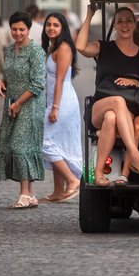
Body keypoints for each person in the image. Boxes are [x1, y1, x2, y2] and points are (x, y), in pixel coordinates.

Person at [77, 5, 139, 187]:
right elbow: (80, 46)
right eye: (119, 21)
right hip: (100, 106)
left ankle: (98, 174)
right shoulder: (104, 47)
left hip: (127, 114)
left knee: (112, 117)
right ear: (114, 25)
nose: (124, 25)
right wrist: (89, 14)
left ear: (134, 24)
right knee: (117, 102)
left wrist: (138, 82)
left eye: (128, 20)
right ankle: (135, 156)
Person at [0, 11, 46, 208]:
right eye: (14, 29)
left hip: (30, 104)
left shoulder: (36, 51)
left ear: (29, 30)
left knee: (21, 147)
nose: (18, 33)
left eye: (22, 29)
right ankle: (31, 195)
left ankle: (24, 194)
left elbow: (38, 83)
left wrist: (19, 103)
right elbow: (7, 71)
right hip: (11, 102)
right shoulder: (9, 49)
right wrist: (2, 81)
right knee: (18, 146)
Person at [39, 12, 82, 202]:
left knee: (44, 141)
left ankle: (72, 180)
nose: (51, 28)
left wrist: (55, 107)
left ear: (63, 28)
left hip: (62, 101)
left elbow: (59, 80)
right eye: (48, 24)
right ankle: (58, 191)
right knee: (57, 144)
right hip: (55, 100)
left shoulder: (64, 48)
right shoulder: (52, 47)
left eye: (56, 25)